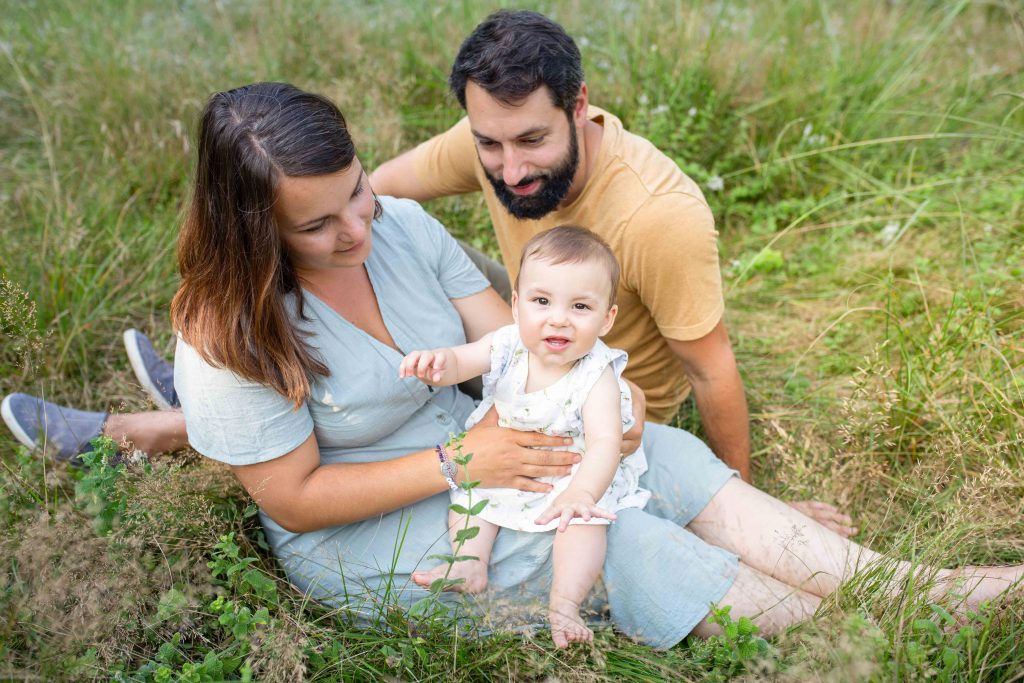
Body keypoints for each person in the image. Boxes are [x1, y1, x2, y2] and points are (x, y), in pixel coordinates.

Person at [3, 82, 1020, 649]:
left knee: (650, 453)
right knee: (612, 529)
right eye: (318, 224)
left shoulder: (394, 223)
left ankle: (922, 585)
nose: (361, 225)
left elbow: (523, 340)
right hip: (377, 521)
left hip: (486, 442)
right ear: (248, 226)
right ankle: (865, 625)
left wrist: (583, 407)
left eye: (358, 190)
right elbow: (300, 499)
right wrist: (468, 465)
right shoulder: (226, 332)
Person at [368, 10, 857, 535]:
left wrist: (745, 498)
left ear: (578, 106)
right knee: (406, 240)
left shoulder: (658, 214)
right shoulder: (497, 133)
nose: (510, 170)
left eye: (533, 141)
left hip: (596, 400)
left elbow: (711, 369)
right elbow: (378, 194)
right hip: (531, 319)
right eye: (489, 144)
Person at [400, 226, 651, 647]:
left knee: (583, 525)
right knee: (470, 497)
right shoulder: (509, 344)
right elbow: (468, 360)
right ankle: (469, 563)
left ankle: (564, 603)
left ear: (607, 318)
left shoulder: (596, 374)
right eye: (541, 301)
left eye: (580, 306)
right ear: (516, 306)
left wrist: (582, 492)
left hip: (573, 468)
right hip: (506, 460)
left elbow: (606, 442)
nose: (558, 318)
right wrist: (441, 363)